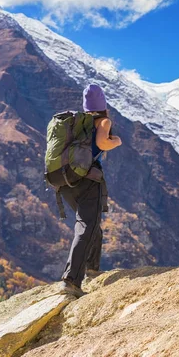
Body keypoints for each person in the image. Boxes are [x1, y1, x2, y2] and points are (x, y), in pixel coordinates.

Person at [59, 84, 122, 296]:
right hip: (88, 181)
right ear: (103, 104)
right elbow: (103, 143)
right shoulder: (103, 121)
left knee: (91, 223)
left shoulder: (75, 122)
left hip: (66, 182)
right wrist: (117, 140)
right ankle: (71, 281)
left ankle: (93, 270)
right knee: (86, 226)